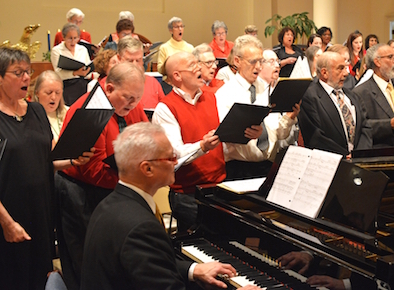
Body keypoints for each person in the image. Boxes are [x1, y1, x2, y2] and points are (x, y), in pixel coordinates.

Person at [80, 123, 260, 290]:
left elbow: (149, 264)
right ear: (147, 169)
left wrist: (193, 269)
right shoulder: (141, 227)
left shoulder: (110, 205)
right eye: (171, 157)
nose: (176, 163)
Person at [0, 48, 91, 290]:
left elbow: (51, 158)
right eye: (18, 73)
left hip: (41, 212)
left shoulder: (37, 111)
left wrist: (74, 160)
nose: (26, 78)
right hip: (8, 214)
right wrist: (7, 223)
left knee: (39, 276)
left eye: (27, 72)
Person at [55, 62, 148, 290]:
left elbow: (147, 137)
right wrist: (135, 180)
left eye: (137, 98)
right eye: (128, 97)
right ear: (108, 89)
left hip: (115, 187)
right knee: (89, 262)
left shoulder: (130, 103)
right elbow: (92, 170)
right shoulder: (88, 110)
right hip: (82, 193)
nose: (133, 104)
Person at [152, 52, 224, 232]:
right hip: (188, 195)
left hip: (219, 188)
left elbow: (227, 136)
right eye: (193, 65)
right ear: (177, 76)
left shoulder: (212, 97)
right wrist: (202, 146)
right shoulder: (166, 108)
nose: (199, 67)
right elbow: (174, 154)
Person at [215, 36, 274, 179]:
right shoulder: (226, 93)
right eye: (253, 61)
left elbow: (276, 130)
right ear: (237, 61)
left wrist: (288, 119)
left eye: (261, 61)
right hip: (240, 169)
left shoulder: (266, 88)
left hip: (267, 164)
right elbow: (226, 135)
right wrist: (248, 133)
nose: (259, 67)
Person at [298, 51, 372, 155]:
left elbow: (365, 126)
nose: (346, 73)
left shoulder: (352, 95)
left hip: (359, 160)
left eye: (345, 68)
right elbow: (315, 136)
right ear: (324, 73)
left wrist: (359, 153)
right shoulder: (310, 97)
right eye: (340, 68)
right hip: (332, 162)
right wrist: (345, 156)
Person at [51, 23, 96, 105]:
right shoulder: (57, 51)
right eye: (70, 38)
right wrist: (75, 73)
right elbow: (58, 74)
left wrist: (89, 72)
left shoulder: (82, 49)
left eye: (75, 38)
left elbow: (87, 68)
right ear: (63, 37)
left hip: (82, 85)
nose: (73, 41)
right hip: (67, 86)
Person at [117, 36, 165, 109]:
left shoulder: (153, 83)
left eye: (138, 60)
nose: (135, 65)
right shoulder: (112, 84)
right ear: (119, 59)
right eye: (130, 61)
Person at [32, 70, 69, 142]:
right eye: (49, 92)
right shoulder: (29, 116)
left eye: (58, 93)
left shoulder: (69, 113)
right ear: (37, 93)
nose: (53, 97)